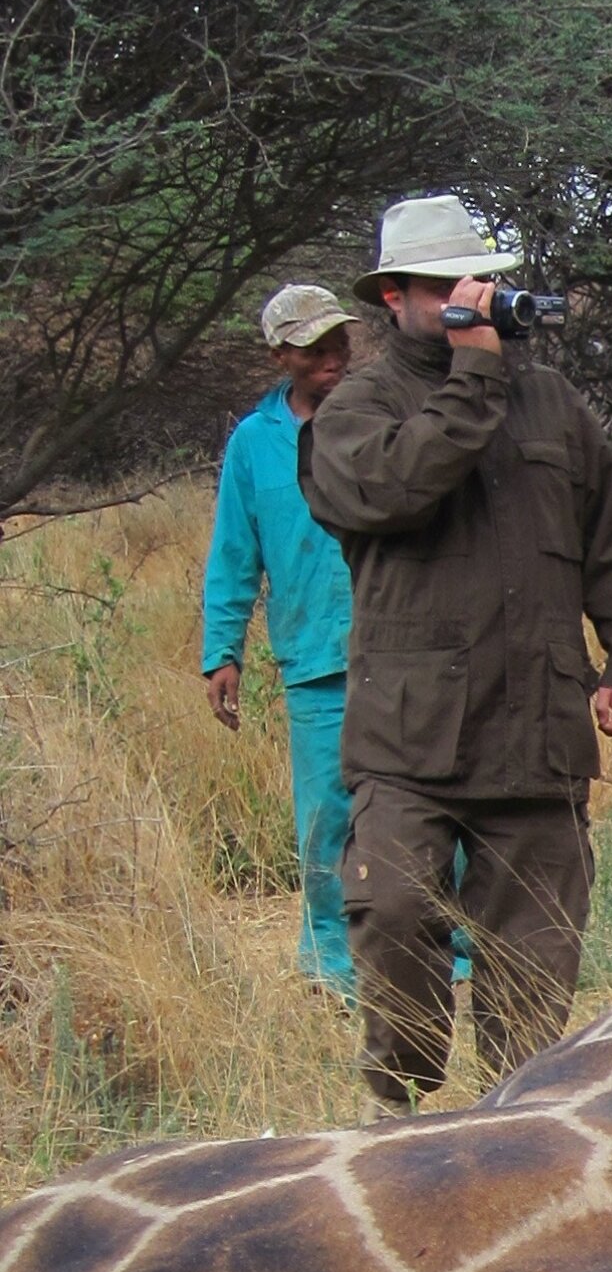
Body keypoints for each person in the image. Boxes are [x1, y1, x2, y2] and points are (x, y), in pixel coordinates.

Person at [303, 194, 612, 1112]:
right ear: (394, 295)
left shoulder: (550, 402)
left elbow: (611, 537)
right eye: (447, 285)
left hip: (535, 734)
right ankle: (403, 1103)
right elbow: (393, 492)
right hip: (408, 741)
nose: (474, 295)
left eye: (485, 280)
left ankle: (515, 1138)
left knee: (534, 973)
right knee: (389, 912)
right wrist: (472, 376)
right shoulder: (354, 411)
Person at [199, 287, 359, 993]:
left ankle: (444, 950)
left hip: (401, 651)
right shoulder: (253, 444)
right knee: (327, 815)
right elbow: (234, 553)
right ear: (281, 355)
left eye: (339, 346)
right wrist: (222, 651)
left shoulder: (376, 417)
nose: (332, 362)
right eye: (316, 350)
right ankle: (331, 960)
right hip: (311, 659)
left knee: (421, 809)